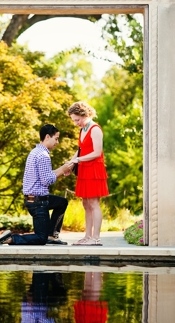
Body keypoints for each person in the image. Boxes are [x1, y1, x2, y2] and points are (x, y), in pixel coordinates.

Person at [0, 124, 73, 246]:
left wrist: (62, 169)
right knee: (40, 238)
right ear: (47, 137)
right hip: (38, 203)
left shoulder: (35, 152)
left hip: (35, 200)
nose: (57, 142)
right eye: (56, 138)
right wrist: (63, 170)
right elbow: (47, 180)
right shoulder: (43, 155)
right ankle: (11, 238)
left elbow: (45, 175)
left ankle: (52, 235)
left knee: (62, 202)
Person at [67, 101, 109, 246]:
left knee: (94, 203)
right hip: (84, 169)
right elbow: (80, 150)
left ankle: (96, 238)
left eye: (77, 120)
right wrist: (71, 165)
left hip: (94, 170)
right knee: (86, 203)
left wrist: (77, 160)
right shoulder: (83, 130)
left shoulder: (95, 129)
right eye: (74, 121)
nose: (76, 123)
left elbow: (97, 152)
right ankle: (87, 236)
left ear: (84, 115)